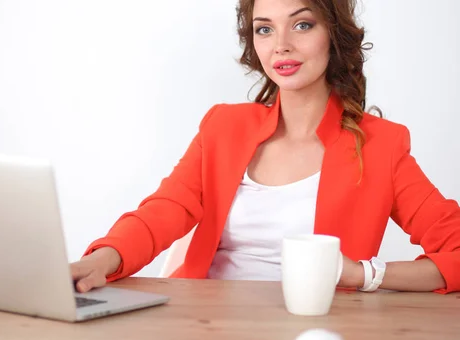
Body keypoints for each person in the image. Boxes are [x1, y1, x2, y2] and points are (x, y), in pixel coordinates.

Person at [70, 0, 460, 294]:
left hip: (313, 327)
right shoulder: (223, 126)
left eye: (302, 25)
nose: (281, 46)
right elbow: (165, 209)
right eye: (264, 29)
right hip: (202, 324)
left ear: (334, 35)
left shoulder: (380, 145)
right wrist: (102, 260)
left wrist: (362, 274)